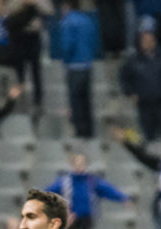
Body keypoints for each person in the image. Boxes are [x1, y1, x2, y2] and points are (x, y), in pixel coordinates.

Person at [45, 153, 131, 229]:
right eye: (77, 164)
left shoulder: (92, 180)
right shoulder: (65, 181)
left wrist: (122, 198)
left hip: (87, 216)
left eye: (82, 163)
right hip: (71, 217)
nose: (79, 166)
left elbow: (107, 189)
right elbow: (49, 193)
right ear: (72, 165)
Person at [119, 29, 161, 143]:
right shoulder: (132, 60)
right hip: (144, 102)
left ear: (155, 42)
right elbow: (124, 78)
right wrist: (130, 93)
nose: (148, 43)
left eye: (150, 40)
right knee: (148, 135)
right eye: (145, 41)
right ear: (140, 43)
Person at [59, 0, 97, 139]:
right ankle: (89, 131)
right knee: (86, 100)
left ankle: (80, 131)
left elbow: (68, 45)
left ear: (66, 6)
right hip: (87, 64)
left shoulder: (68, 21)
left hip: (74, 65)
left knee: (76, 101)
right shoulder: (87, 20)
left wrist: (66, 59)